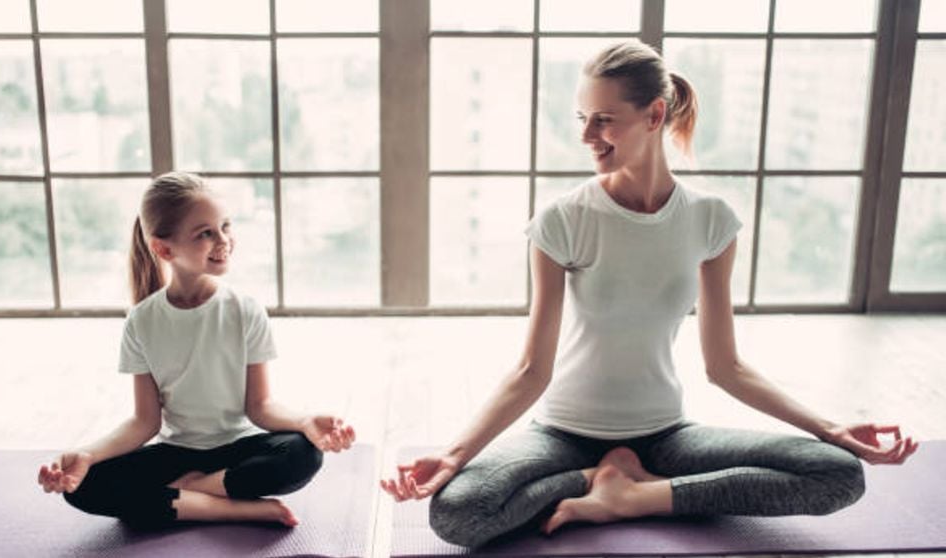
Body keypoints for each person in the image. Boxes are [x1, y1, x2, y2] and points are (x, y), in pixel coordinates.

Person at [380, 41, 918, 548]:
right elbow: (530, 371)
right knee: (458, 513)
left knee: (838, 473)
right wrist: (454, 456)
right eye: (582, 118)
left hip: (667, 438)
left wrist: (832, 429)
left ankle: (633, 497)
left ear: (655, 116)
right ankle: (595, 478)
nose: (588, 134)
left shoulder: (710, 221)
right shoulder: (564, 220)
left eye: (604, 120)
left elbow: (726, 366)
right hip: (564, 435)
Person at [37, 172, 356, 529]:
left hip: (240, 449)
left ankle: (193, 492)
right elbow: (145, 421)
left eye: (225, 226)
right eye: (205, 233)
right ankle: (230, 507)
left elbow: (259, 407)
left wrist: (304, 422)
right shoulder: (142, 321)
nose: (224, 240)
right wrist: (87, 455)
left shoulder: (244, 309)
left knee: (302, 455)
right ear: (163, 248)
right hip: (178, 452)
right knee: (82, 487)